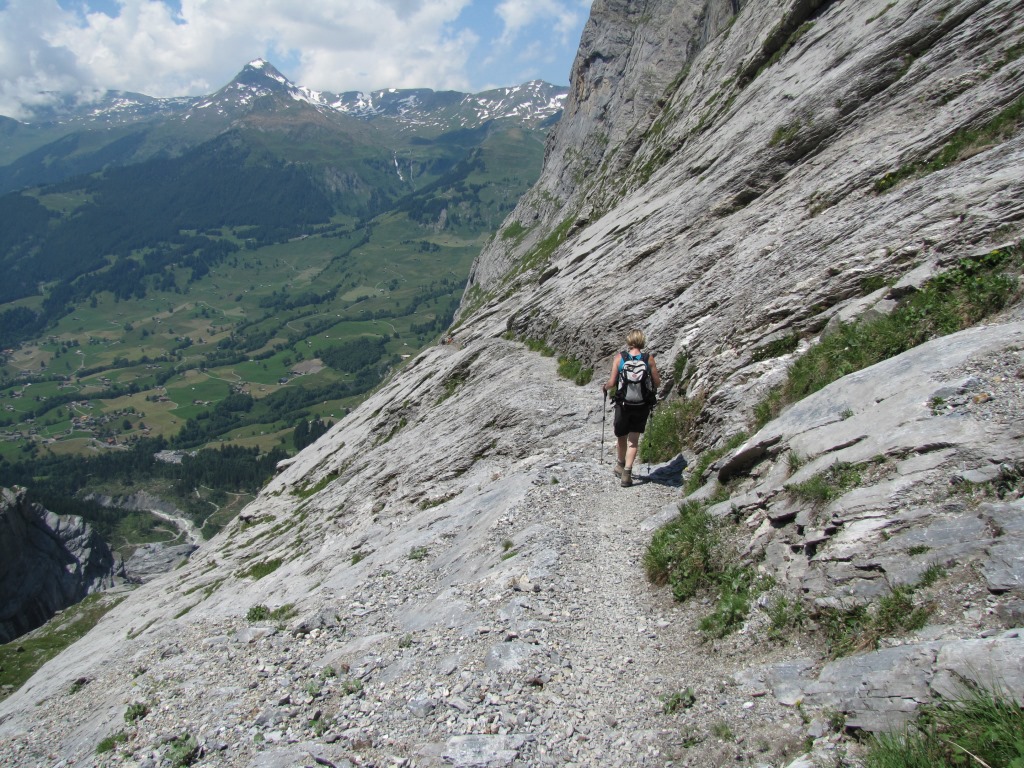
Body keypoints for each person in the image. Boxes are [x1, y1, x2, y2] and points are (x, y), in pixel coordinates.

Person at [602, 329, 661, 487]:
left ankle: (620, 464)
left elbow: (612, 383)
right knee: (633, 441)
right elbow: (657, 382)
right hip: (641, 405)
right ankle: (627, 473)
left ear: (629, 341)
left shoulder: (620, 358)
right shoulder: (648, 359)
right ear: (642, 341)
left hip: (623, 404)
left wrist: (605, 387)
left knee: (621, 436)